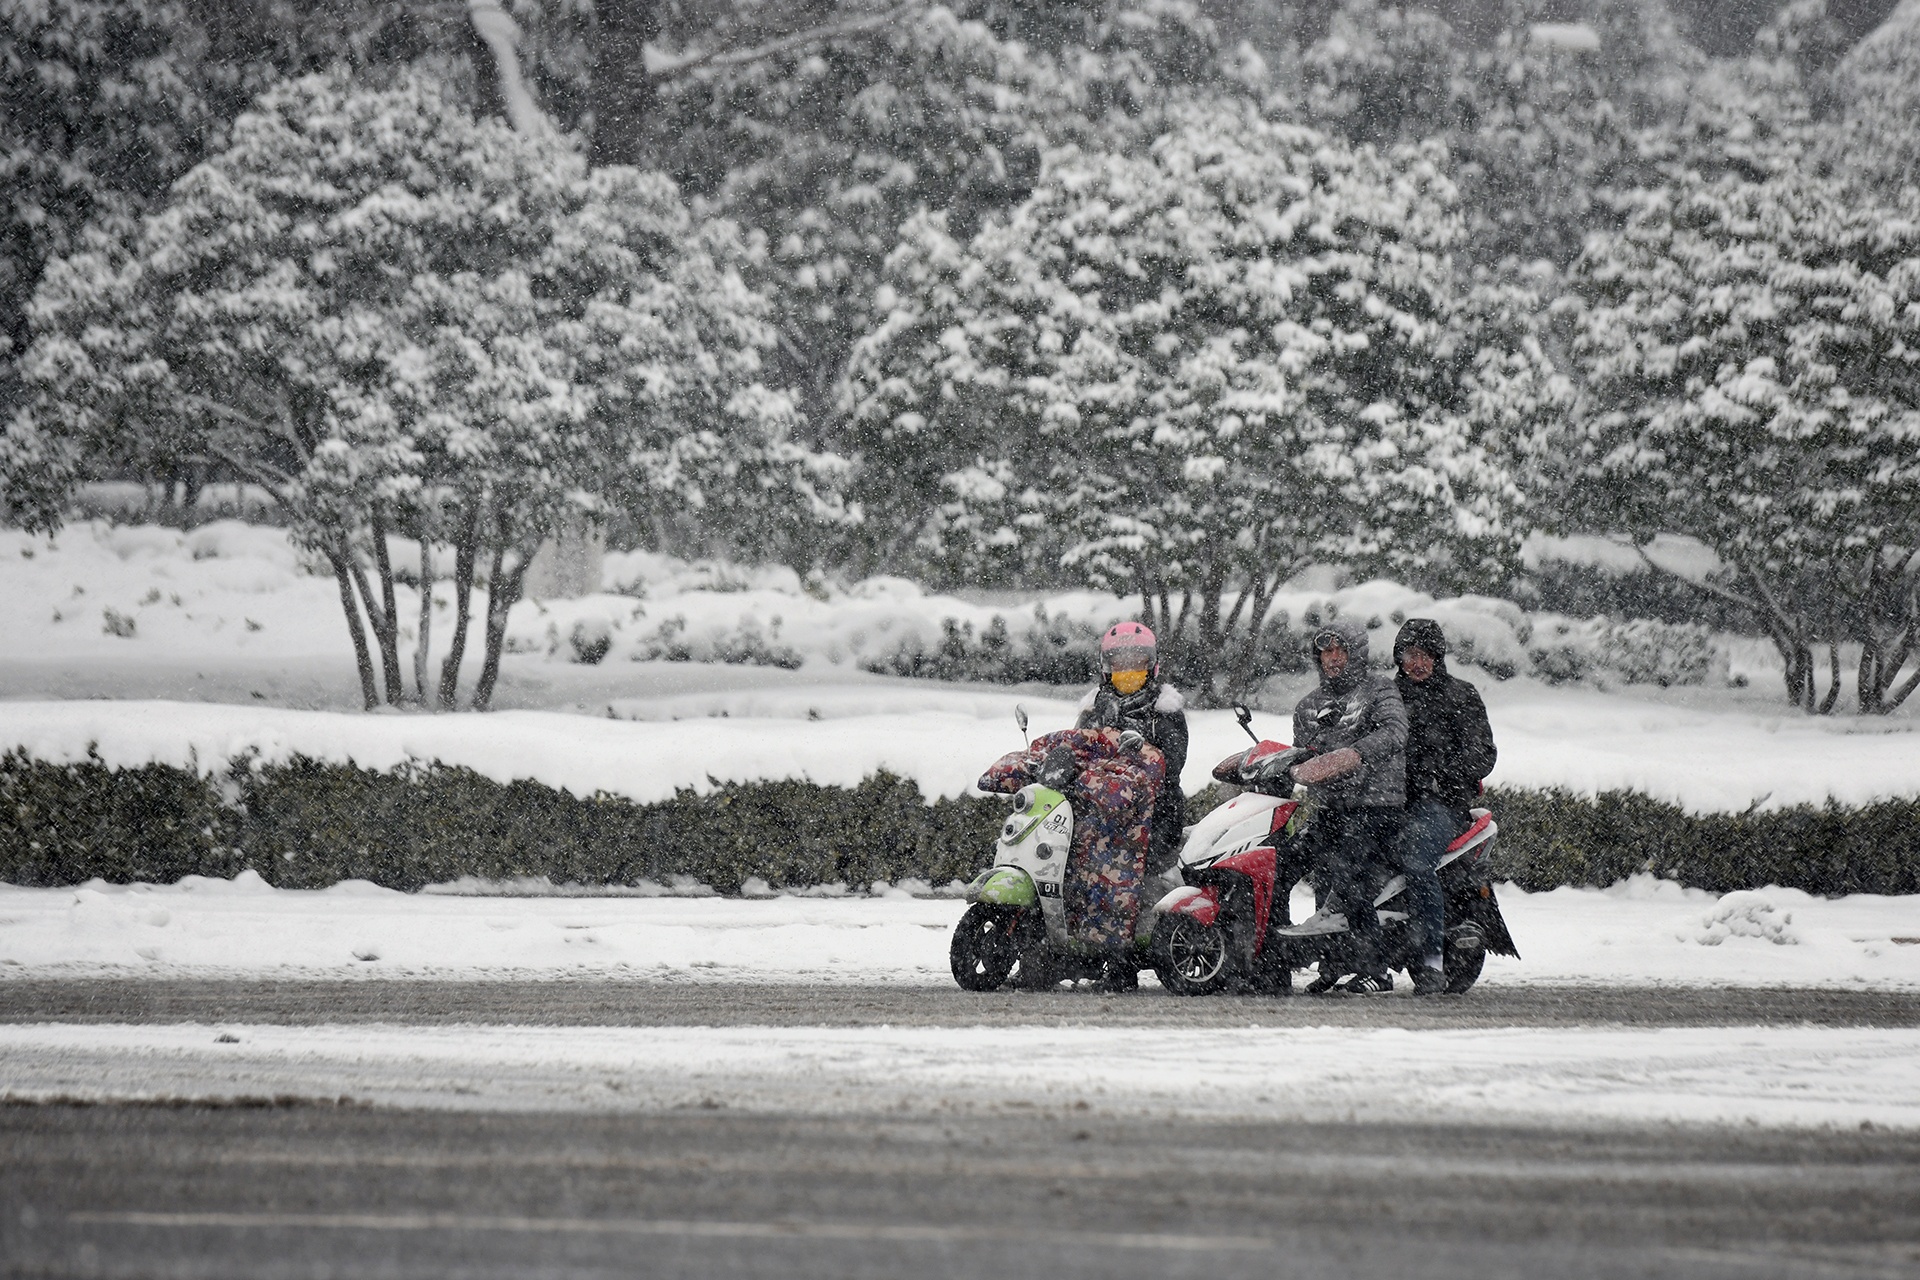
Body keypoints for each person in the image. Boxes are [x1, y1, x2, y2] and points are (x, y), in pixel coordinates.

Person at [1288, 618, 1409, 994]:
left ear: (1356, 653)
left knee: (1350, 875)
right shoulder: (1308, 706)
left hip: (1378, 807)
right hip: (1331, 809)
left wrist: (1354, 755)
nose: (1333, 659)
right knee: (1288, 863)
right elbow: (1305, 756)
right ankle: (1324, 962)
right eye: (1326, 651)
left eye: (1340, 650)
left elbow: (1394, 732)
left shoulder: (1380, 690)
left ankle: (1377, 970)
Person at [1393, 618, 1498, 997]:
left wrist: (1441, 778)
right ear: (1399, 657)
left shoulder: (1462, 696)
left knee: (1418, 861)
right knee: (1341, 847)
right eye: (1410, 655)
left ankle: (1432, 960)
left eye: (1425, 655)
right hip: (1388, 802)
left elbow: (1483, 752)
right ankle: (1355, 958)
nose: (1417, 663)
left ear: (1438, 658)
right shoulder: (1386, 697)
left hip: (1441, 806)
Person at [1077, 622, 1190, 876]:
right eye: (1120, 663)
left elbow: (1169, 768)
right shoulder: (1094, 709)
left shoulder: (1165, 711)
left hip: (1153, 813)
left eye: (1136, 663)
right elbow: (1079, 750)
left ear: (1151, 666)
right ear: (1106, 668)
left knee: (1148, 887)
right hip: (1098, 811)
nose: (1128, 670)